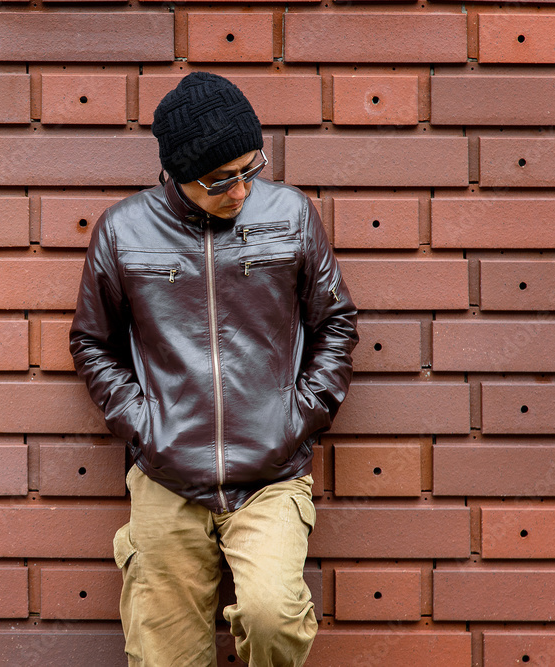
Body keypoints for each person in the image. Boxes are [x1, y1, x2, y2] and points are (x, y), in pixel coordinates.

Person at [69, 71, 358, 667]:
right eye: (221, 180)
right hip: (167, 475)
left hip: (272, 473)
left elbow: (336, 324)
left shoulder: (292, 215)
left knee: (272, 617)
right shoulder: (123, 231)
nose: (241, 191)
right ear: (177, 174)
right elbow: (92, 342)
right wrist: (147, 425)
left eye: (251, 169)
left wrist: (296, 417)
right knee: (164, 656)